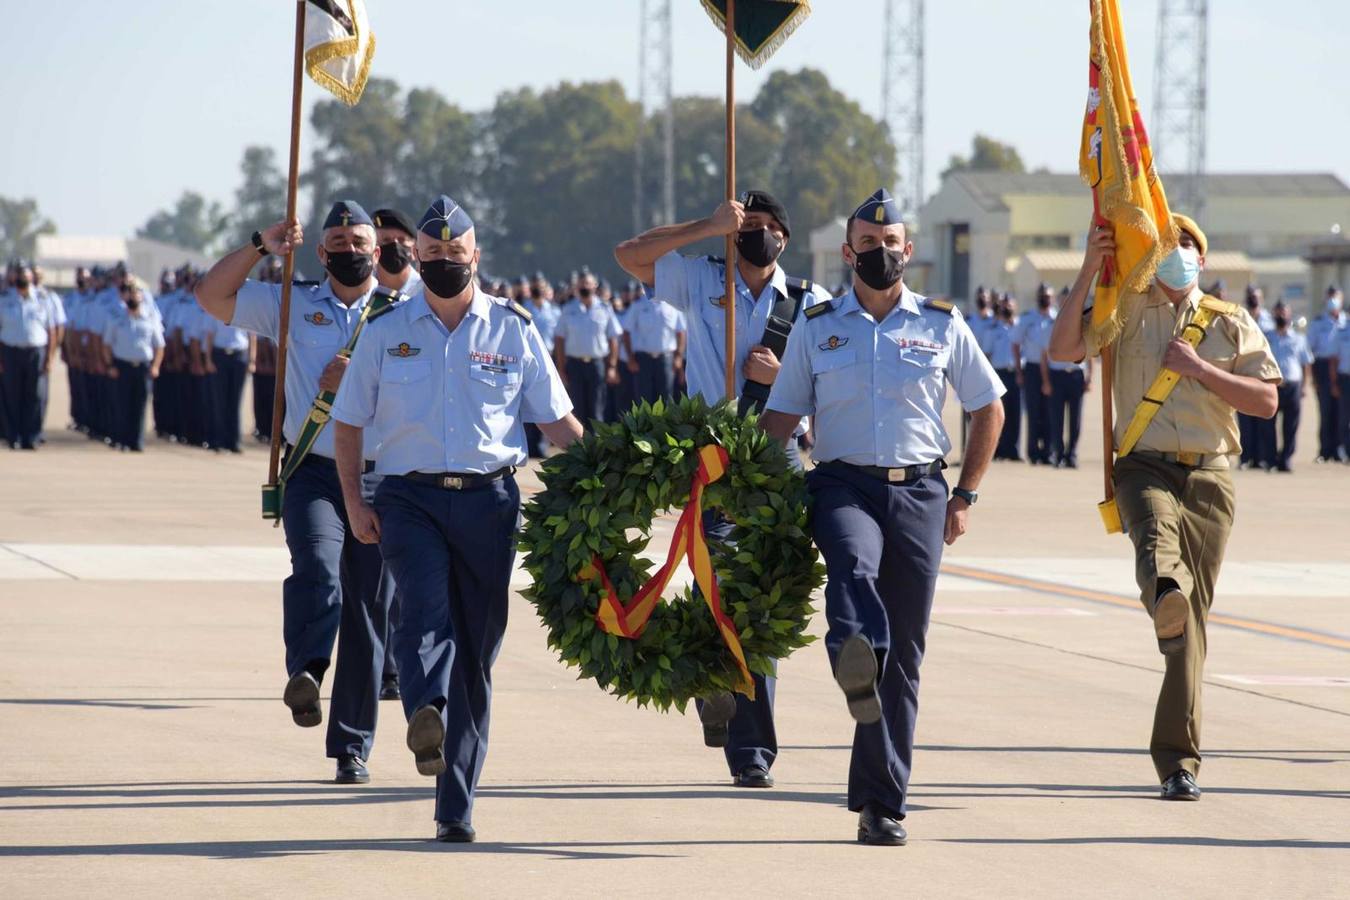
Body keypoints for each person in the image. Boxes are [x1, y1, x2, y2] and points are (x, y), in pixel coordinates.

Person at [330, 195, 582, 842]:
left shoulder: (514, 328)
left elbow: (558, 423)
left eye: (455, 252)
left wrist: (616, 473)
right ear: (416, 256)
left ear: (477, 256)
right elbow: (349, 423)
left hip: (489, 503)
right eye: (432, 253)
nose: (444, 261)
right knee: (419, 608)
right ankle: (425, 710)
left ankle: (455, 807)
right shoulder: (386, 330)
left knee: (475, 654)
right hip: (408, 499)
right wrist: (355, 502)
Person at [759, 188, 1004, 845]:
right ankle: (851, 650)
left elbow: (989, 407)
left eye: (890, 245)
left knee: (905, 659)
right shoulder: (817, 328)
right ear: (848, 253)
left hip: (922, 493)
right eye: (868, 246)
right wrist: (743, 478)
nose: (880, 254)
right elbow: (780, 418)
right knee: (851, 562)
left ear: (908, 251)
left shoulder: (943, 324)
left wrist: (967, 495)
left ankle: (882, 803)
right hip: (842, 484)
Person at [1048, 213, 1279, 801]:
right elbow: (1063, 348)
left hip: (1210, 476)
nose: (1174, 255)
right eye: (1163, 246)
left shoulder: (1231, 322)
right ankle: (1164, 591)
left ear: (1202, 259)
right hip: (1143, 465)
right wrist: (1088, 268)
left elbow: (1266, 401)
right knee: (1158, 547)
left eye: (1184, 246)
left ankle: (1179, 763)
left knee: (1189, 633)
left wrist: (1199, 369)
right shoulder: (1123, 311)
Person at [615, 189, 833, 790]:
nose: (754, 233)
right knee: (722, 589)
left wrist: (781, 375)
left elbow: (831, 383)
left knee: (762, 597)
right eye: (746, 224)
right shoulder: (700, 277)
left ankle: (751, 737)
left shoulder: (810, 303)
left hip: (778, 454)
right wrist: (705, 225)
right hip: (715, 451)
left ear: (784, 238)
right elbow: (629, 255)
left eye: (766, 226)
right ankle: (731, 712)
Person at [195, 200, 396, 785]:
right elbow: (212, 296)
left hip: (383, 476)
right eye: (338, 242)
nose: (350, 251)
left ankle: (352, 745)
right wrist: (262, 246)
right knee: (317, 567)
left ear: (378, 251)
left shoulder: (403, 314)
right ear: (320, 251)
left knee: (367, 611)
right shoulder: (293, 300)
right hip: (313, 467)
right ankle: (307, 670)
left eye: (360, 242)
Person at [0, 261, 60, 450]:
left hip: (36, 351)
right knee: (12, 395)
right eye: (19, 278)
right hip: (10, 351)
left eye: (26, 278)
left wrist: (50, 357)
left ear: (32, 279)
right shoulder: (4, 299)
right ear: (13, 279)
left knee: (34, 395)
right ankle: (14, 436)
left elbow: (52, 330)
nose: (22, 281)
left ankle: (31, 437)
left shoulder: (43, 299)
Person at [100, 280, 165, 451]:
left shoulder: (150, 318)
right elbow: (106, 344)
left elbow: (159, 345)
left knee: (140, 405)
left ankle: (137, 441)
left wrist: (156, 366)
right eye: (129, 293)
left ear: (142, 296)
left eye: (136, 293)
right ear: (124, 296)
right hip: (122, 366)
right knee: (122, 404)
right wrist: (110, 365)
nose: (133, 296)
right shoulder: (116, 318)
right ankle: (122, 441)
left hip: (143, 367)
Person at [553, 267, 620, 428]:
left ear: (595, 285)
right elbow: (560, 339)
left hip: (597, 364)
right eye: (582, 284)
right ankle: (581, 445)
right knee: (578, 408)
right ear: (576, 287)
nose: (585, 287)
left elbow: (613, 339)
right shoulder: (568, 309)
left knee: (597, 406)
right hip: (575, 364)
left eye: (588, 284)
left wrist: (611, 366)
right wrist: (561, 369)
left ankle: (597, 445)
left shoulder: (605, 309)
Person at [1263, 302, 1311, 472]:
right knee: (1268, 425)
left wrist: (1305, 386)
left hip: (1293, 386)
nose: (1281, 316)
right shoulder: (1267, 337)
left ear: (1289, 315)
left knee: (1291, 426)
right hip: (1272, 386)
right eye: (1278, 313)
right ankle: (1271, 460)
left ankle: (1286, 459)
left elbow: (1305, 363)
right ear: (1273, 315)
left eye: (1284, 312)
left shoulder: (1299, 338)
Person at [1046, 289, 1091, 468]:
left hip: (1076, 374)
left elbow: (1090, 351)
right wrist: (1046, 379)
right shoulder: (1052, 322)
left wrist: (1090, 377)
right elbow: (1044, 353)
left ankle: (1071, 454)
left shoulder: (1082, 320)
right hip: (1056, 374)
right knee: (1056, 417)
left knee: (1075, 418)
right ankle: (1058, 453)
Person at [1012, 284, 1057, 464]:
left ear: (1052, 299)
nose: (1044, 298)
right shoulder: (1027, 319)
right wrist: (1019, 371)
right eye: (1042, 295)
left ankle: (1048, 451)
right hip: (1031, 369)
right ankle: (1033, 451)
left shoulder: (1057, 318)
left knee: (1050, 411)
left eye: (1048, 296)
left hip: (1053, 370)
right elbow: (1015, 343)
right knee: (1033, 411)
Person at [625, 283, 687, 405]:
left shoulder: (673, 306)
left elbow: (680, 332)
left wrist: (678, 357)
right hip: (643, 359)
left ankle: (665, 425)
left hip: (665, 359)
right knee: (643, 399)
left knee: (666, 397)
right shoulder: (638, 305)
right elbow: (626, 331)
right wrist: (630, 357)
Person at [1307, 288, 1344, 461]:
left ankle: (1340, 450)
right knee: (1326, 411)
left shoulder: (1347, 321)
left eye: (1336, 298)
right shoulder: (1318, 322)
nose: (1333, 301)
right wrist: (1314, 378)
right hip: (1322, 369)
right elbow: (1310, 351)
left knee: (1342, 413)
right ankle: (1325, 450)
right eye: (1330, 298)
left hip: (1343, 370)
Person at [372, 207, 423, 298]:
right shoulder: (363, 290)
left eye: (402, 240)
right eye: (386, 240)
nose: (395, 245)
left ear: (414, 249)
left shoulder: (423, 292)